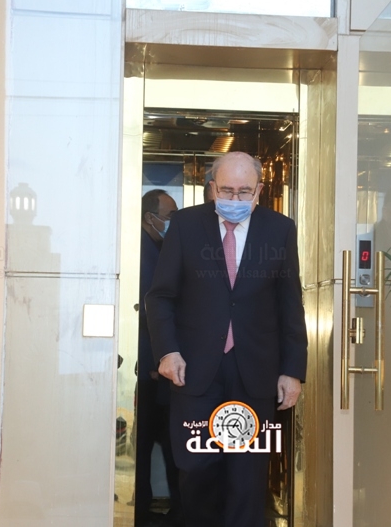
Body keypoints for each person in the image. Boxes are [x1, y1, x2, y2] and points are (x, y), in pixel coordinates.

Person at [145, 152, 308, 527]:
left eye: (244, 192)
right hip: (194, 369)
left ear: (259, 190)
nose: (235, 199)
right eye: (227, 190)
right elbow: (161, 296)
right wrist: (167, 352)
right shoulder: (186, 225)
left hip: (255, 370)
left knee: (247, 476)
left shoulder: (280, 229)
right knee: (196, 467)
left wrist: (292, 370)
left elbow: (289, 303)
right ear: (212, 188)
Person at [136, 189, 182, 526]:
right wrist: (155, 361)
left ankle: (172, 511)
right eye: (169, 216)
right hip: (151, 370)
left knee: (167, 444)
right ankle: (142, 513)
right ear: (149, 217)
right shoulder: (141, 251)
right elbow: (148, 312)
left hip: (160, 369)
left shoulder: (159, 247)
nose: (172, 222)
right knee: (148, 444)